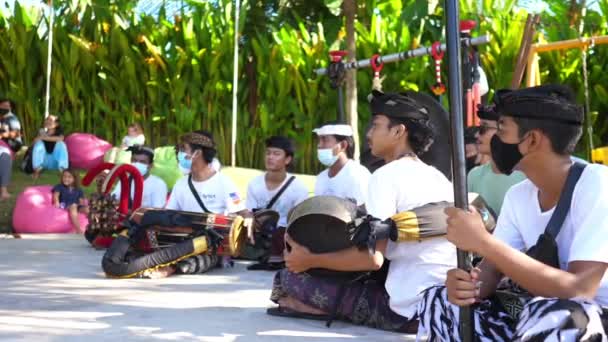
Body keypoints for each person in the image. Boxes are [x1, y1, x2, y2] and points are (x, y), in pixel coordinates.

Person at [417, 85, 608, 341]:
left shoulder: (597, 185)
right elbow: (491, 272)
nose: (495, 141)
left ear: (531, 140)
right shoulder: (519, 195)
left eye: (502, 130)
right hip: (537, 310)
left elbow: (580, 289)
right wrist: (464, 286)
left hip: (590, 318)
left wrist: (483, 242)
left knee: (559, 316)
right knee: (438, 300)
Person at [267, 90, 456, 333]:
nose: (369, 134)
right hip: (445, 303)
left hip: (408, 310)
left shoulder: (386, 176)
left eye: (376, 126)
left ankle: (314, 308)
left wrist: (308, 259)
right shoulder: (438, 177)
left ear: (398, 132)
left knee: (287, 280)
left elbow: (372, 259)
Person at [245, 136, 309, 270]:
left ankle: (277, 257)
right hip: (260, 234)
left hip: (285, 236)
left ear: (287, 159)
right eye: (268, 153)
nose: (270, 157)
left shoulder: (298, 188)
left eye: (276, 154)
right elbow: (249, 212)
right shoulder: (254, 184)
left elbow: (299, 220)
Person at [166, 130, 248, 216]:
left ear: (197, 153)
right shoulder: (180, 184)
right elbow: (169, 213)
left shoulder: (224, 183)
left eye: (183, 149)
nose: (179, 154)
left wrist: (248, 218)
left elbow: (241, 210)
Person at [467, 104, 526, 216]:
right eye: (479, 128)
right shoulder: (474, 175)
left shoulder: (527, 175)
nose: (476, 134)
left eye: (483, 128)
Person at [313, 122, 370, 206]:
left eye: (325, 140)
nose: (319, 145)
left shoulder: (358, 174)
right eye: (319, 140)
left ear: (343, 145)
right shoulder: (321, 178)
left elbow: (362, 212)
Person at [32, 115, 68, 179]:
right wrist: (40, 136)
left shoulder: (59, 133)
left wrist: (43, 137)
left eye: (50, 120)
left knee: (61, 144)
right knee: (39, 144)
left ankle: (63, 171)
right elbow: (34, 143)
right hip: (43, 162)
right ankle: (36, 170)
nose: (48, 121)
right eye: (47, 119)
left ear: (56, 124)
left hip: (55, 162)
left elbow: (60, 139)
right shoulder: (42, 132)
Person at [52, 168, 89, 233]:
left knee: (88, 209)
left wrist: (84, 205)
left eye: (69, 177)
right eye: (64, 176)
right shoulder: (60, 186)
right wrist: (56, 202)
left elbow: (81, 201)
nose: (66, 179)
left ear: (74, 179)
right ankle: (78, 229)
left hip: (76, 206)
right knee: (74, 206)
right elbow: (56, 195)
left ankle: (95, 226)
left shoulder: (78, 189)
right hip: (64, 205)